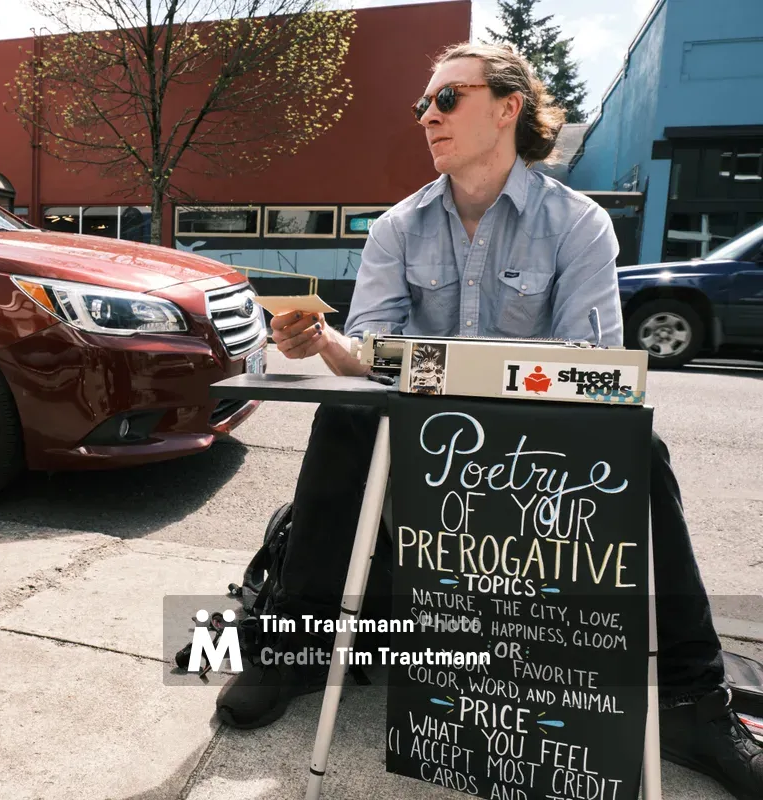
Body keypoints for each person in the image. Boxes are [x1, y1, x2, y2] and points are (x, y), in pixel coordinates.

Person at [215, 42, 763, 799]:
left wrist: (459, 372)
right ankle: (295, 651)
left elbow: (593, 366)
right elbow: (368, 357)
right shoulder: (398, 227)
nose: (427, 117)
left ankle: (692, 698)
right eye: (421, 105)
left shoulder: (579, 223)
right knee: (342, 417)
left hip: (540, 433)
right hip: (422, 432)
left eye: (447, 99)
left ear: (508, 108)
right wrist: (325, 343)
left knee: (644, 446)